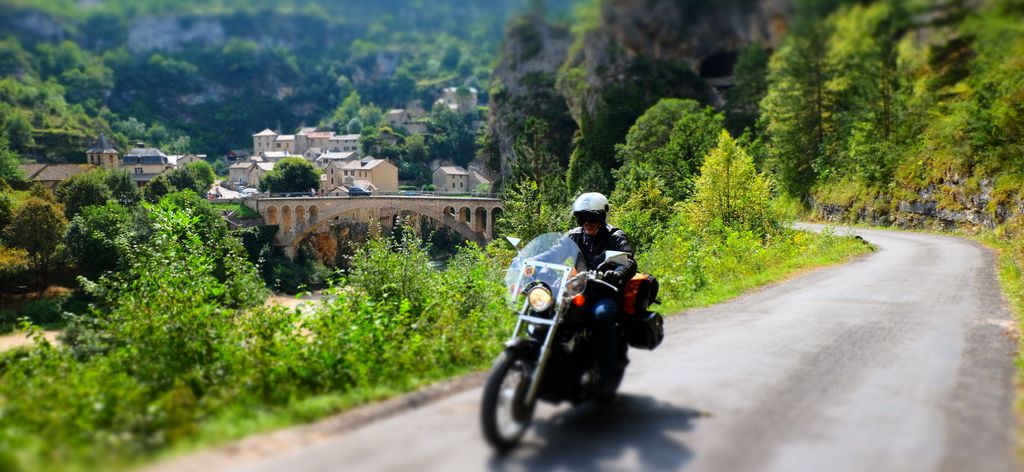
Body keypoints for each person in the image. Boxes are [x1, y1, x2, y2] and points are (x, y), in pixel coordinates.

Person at [567, 192, 636, 397]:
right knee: (550, 311)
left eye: (592, 217)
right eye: (582, 217)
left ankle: (606, 376)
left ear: (602, 217)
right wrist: (531, 263)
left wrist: (616, 273)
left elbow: (629, 261)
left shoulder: (615, 237)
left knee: (602, 316)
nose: (587, 222)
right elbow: (554, 251)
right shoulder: (574, 236)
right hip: (578, 291)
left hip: (604, 293)